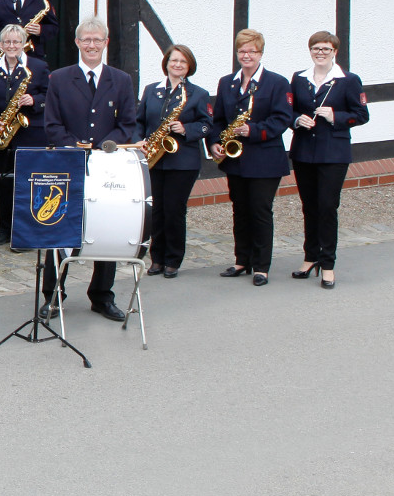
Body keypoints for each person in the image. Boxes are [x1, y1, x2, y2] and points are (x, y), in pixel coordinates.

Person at [42, 17, 138, 319]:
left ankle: (101, 296)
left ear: (105, 43)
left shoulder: (121, 79)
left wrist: (104, 147)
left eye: (97, 40)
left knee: (106, 227)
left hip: (107, 166)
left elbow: (128, 125)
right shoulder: (59, 78)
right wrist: (73, 146)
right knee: (59, 229)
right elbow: (51, 125)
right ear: (77, 43)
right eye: (87, 39)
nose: (92, 45)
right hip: (68, 165)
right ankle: (53, 296)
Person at [209, 28, 294, 287]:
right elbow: (219, 119)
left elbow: (282, 119)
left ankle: (261, 266)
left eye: (252, 51)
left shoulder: (277, 82)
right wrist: (213, 142)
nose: (247, 55)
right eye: (242, 50)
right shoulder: (227, 82)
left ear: (261, 53)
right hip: (235, 160)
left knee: (259, 211)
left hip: (264, 159)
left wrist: (253, 130)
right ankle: (242, 259)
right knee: (240, 210)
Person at [289, 31, 369, 289]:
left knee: (326, 207)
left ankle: (328, 264)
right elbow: (287, 111)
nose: (320, 52)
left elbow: (361, 114)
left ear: (335, 51)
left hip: (333, 154)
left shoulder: (348, 80)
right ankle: (310, 256)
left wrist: (336, 116)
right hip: (303, 152)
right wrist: (296, 120)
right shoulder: (299, 79)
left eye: (325, 48)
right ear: (310, 51)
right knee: (309, 206)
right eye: (316, 48)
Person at [141, 45, 212, 279]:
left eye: (183, 61)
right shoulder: (151, 90)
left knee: (174, 210)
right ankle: (157, 258)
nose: (178, 65)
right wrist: (139, 141)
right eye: (174, 60)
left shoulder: (198, 94)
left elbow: (206, 124)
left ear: (189, 66)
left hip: (183, 161)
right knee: (157, 210)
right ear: (166, 63)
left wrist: (185, 128)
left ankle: (173, 259)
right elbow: (138, 121)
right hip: (154, 159)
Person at [0, 24, 48, 245]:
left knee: (27, 184)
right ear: (0, 45)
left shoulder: (38, 67)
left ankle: (26, 232)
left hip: (29, 133)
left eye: (16, 42)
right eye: (7, 42)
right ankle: (4, 230)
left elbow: (49, 95)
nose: (12, 46)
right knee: (3, 183)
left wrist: (35, 100)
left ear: (24, 44)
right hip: (0, 133)